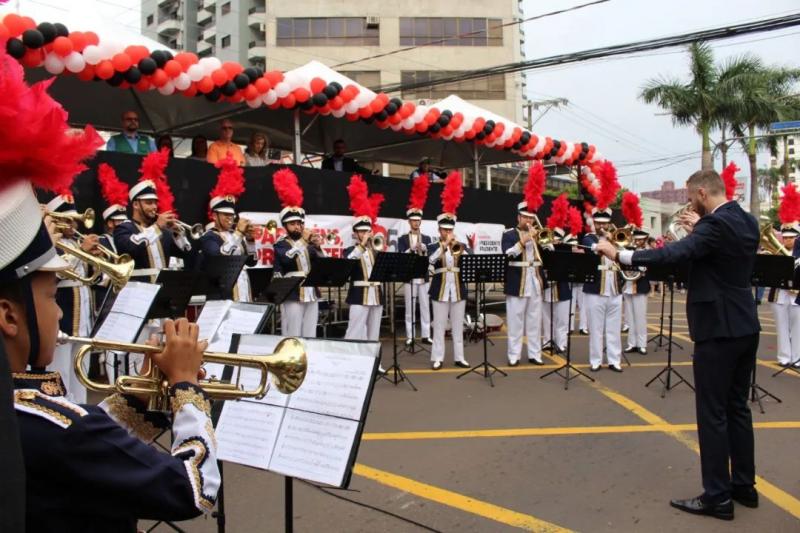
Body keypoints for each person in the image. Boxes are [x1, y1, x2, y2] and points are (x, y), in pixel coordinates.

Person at [595, 169, 760, 520]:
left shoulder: (714, 226)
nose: (689, 203)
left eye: (690, 197)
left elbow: (673, 255)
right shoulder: (746, 220)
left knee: (713, 413)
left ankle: (718, 497)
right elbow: (713, 257)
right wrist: (697, 230)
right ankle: (744, 486)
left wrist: (619, 254)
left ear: (702, 193)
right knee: (737, 409)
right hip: (745, 324)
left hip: (718, 328)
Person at [45, 193, 102, 404]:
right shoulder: (52, 243)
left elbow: (97, 280)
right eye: (67, 219)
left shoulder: (77, 242)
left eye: (74, 219)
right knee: (61, 374)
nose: (73, 223)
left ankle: (82, 413)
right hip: (63, 317)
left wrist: (96, 260)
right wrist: (82, 251)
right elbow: (57, 272)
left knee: (81, 376)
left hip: (83, 320)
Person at [272, 168, 323, 337]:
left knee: (310, 332)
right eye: (293, 224)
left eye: (299, 223)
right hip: (291, 292)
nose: (298, 227)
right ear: (285, 226)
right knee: (292, 332)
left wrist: (318, 247)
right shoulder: (281, 244)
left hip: (311, 292)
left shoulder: (307, 244)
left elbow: (322, 263)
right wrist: (305, 242)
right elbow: (288, 259)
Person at [198, 157, 257, 302]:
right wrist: (238, 234)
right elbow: (219, 256)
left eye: (232, 215)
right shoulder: (208, 237)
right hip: (222, 294)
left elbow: (251, 262)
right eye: (225, 215)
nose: (230, 218)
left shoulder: (235, 235)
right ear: (214, 215)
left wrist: (250, 241)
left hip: (243, 290)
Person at [113, 177, 192, 282]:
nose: (154, 207)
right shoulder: (123, 228)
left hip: (162, 290)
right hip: (138, 290)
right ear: (136, 205)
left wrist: (178, 234)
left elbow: (186, 254)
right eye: (149, 203)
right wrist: (157, 226)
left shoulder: (163, 232)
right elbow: (131, 248)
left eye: (155, 203)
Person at [502, 198, 545, 366]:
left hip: (535, 281)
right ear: (518, 217)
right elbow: (507, 253)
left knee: (535, 321)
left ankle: (535, 354)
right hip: (516, 281)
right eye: (525, 217)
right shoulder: (509, 234)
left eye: (531, 218)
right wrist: (524, 240)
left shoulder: (538, 234)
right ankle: (514, 355)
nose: (529, 221)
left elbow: (545, 256)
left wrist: (546, 243)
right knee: (515, 321)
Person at [582, 207, 623, 372]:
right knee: (596, 328)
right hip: (595, 289)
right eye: (598, 223)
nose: (601, 227)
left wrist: (614, 241)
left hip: (614, 288)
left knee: (614, 328)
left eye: (605, 224)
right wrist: (607, 240)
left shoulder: (617, 239)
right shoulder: (588, 238)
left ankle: (614, 360)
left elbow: (625, 254)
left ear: (609, 223)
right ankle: (596, 360)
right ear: (594, 223)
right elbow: (594, 249)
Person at [397, 203, 432, 347]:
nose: (416, 223)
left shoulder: (427, 238)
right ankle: (410, 336)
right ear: (409, 222)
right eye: (413, 220)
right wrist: (410, 250)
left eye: (418, 220)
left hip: (423, 276)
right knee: (409, 308)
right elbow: (400, 256)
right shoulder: (403, 239)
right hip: (409, 276)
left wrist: (425, 250)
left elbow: (432, 258)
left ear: (420, 221)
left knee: (425, 306)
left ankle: (426, 335)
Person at [344, 219, 384, 344]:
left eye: (367, 231)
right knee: (354, 331)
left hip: (376, 296)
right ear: (355, 234)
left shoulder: (376, 251)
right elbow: (348, 263)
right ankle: (350, 361)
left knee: (374, 334)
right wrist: (362, 245)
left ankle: (372, 361)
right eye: (362, 231)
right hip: (358, 295)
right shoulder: (349, 250)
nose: (365, 234)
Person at [767, 223, 800, 367]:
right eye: (785, 238)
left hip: (796, 296)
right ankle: (784, 357)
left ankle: (797, 358)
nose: (788, 241)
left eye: (791, 238)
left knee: (798, 328)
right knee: (781, 327)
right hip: (779, 296)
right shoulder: (776, 253)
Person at [541, 228, 573, 354]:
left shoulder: (565, 250)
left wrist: (555, 249)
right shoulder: (543, 250)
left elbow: (567, 264)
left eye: (556, 239)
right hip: (547, 289)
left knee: (562, 319)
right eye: (552, 238)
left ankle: (561, 343)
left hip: (562, 289)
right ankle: (547, 341)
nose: (554, 241)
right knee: (546, 318)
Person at [622, 228, 651, 355]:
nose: (637, 242)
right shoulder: (629, 250)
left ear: (645, 240)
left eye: (640, 240)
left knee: (640, 317)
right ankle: (632, 344)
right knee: (630, 317)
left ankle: (642, 344)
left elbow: (647, 268)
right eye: (636, 239)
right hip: (628, 286)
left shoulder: (648, 252)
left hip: (640, 287)